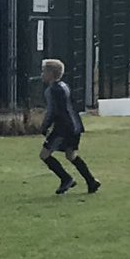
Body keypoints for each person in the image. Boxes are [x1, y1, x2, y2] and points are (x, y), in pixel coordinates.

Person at [39, 58, 101, 195]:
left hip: (63, 128)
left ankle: (66, 179)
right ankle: (91, 181)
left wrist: (44, 127)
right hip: (75, 126)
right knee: (71, 155)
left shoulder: (51, 90)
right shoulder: (64, 86)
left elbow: (52, 111)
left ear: (51, 74)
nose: (42, 74)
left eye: (44, 71)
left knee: (44, 155)